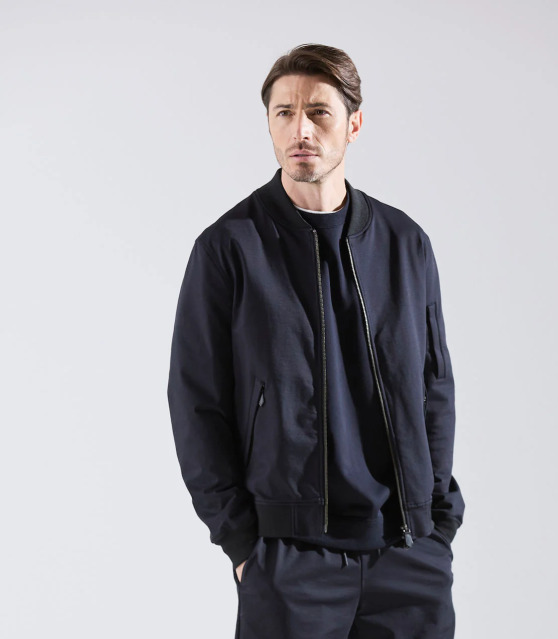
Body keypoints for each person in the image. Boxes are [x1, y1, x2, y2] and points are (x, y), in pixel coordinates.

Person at [167, 42, 465, 639]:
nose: (300, 129)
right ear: (269, 124)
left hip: (407, 554)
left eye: (319, 112)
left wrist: (437, 521)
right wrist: (242, 542)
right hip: (289, 559)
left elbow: (434, 387)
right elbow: (196, 403)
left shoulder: (405, 244)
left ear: (354, 123)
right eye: (284, 113)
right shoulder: (229, 248)